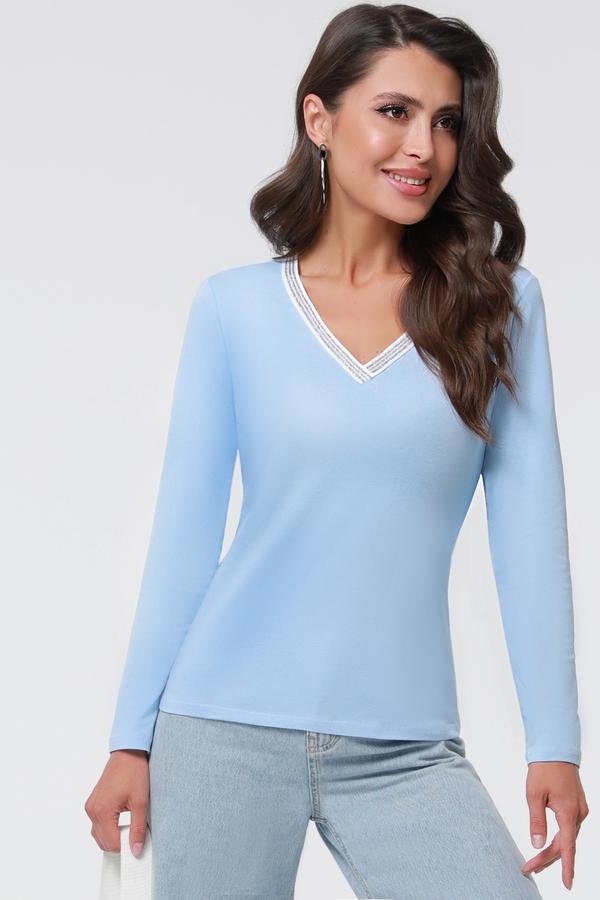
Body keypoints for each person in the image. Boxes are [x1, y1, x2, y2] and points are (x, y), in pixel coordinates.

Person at [85, 4, 589, 897]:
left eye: (446, 121)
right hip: (220, 730)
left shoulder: (500, 307)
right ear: (319, 119)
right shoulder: (234, 309)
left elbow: (529, 535)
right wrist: (131, 739)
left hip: (407, 749)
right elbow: (184, 537)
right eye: (395, 112)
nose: (424, 148)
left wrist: (556, 743)